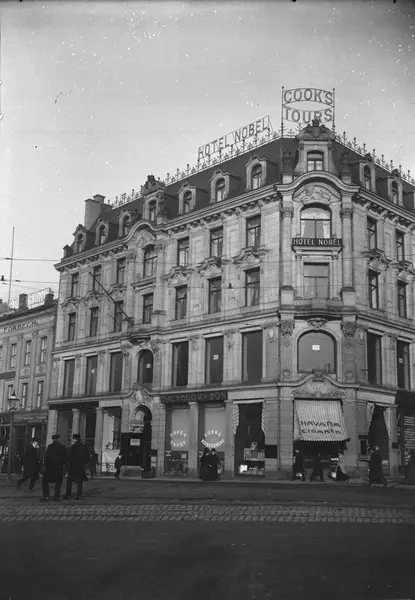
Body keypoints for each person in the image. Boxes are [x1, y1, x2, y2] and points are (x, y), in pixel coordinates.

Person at [63, 434, 90, 500]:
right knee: (79, 481)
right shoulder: (83, 446)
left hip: (73, 466)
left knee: (69, 481)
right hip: (80, 466)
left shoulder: (73, 447)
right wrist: (83, 463)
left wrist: (68, 462)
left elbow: (68, 456)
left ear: (74, 439)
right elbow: (87, 457)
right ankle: (79, 495)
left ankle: (68, 494)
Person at [41, 434, 67, 502]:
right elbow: (64, 458)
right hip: (58, 467)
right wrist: (63, 465)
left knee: (45, 481)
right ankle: (57, 497)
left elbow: (47, 457)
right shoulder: (62, 447)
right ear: (58, 439)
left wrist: (45, 464)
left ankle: (46, 496)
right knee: (57, 483)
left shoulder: (50, 447)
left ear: (53, 439)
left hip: (49, 467)